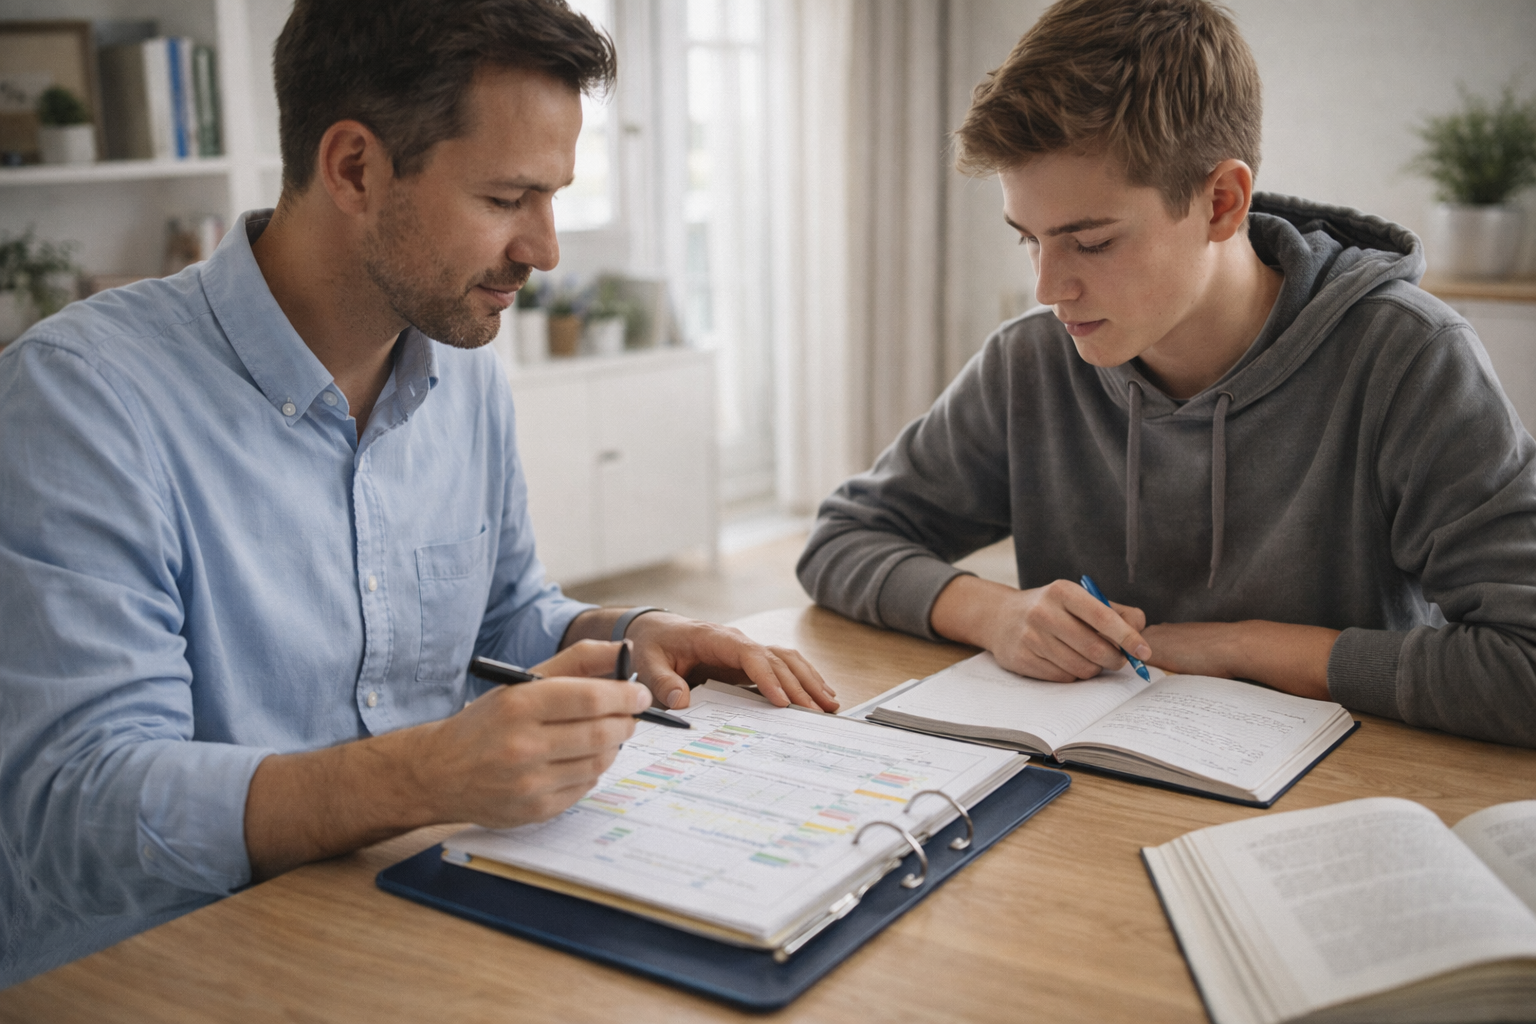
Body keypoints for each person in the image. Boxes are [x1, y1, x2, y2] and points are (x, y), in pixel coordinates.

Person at [0, 0, 835, 987]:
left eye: (555, 196)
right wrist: (422, 774)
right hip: (164, 968)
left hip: (407, 914)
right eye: (507, 198)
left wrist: (621, 638)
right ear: (354, 166)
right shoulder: (83, 398)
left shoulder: (458, 357)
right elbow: (75, 808)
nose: (546, 249)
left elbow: (503, 612)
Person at [799, 0, 1536, 748]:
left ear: (1221, 202)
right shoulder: (1032, 360)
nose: (1048, 289)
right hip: (1085, 799)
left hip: (1345, 794)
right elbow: (842, 540)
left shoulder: (1409, 357)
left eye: (1090, 242)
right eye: (1029, 239)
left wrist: (1236, 646)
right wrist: (993, 612)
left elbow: (1526, 665)